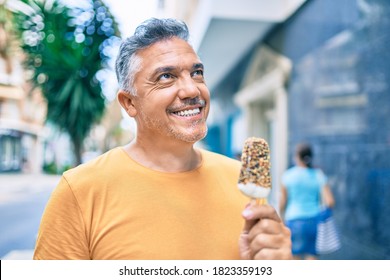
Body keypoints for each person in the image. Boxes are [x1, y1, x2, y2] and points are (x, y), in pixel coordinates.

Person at [33, 18, 292, 260]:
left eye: (197, 73)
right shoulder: (80, 190)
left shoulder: (240, 180)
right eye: (166, 77)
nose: (192, 89)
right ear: (129, 103)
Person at [279, 143, 335, 260]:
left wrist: (281, 219)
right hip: (313, 221)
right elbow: (330, 201)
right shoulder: (318, 175)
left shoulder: (288, 176)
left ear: (297, 157)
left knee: (294, 257)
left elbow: (282, 202)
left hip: (293, 221)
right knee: (312, 257)